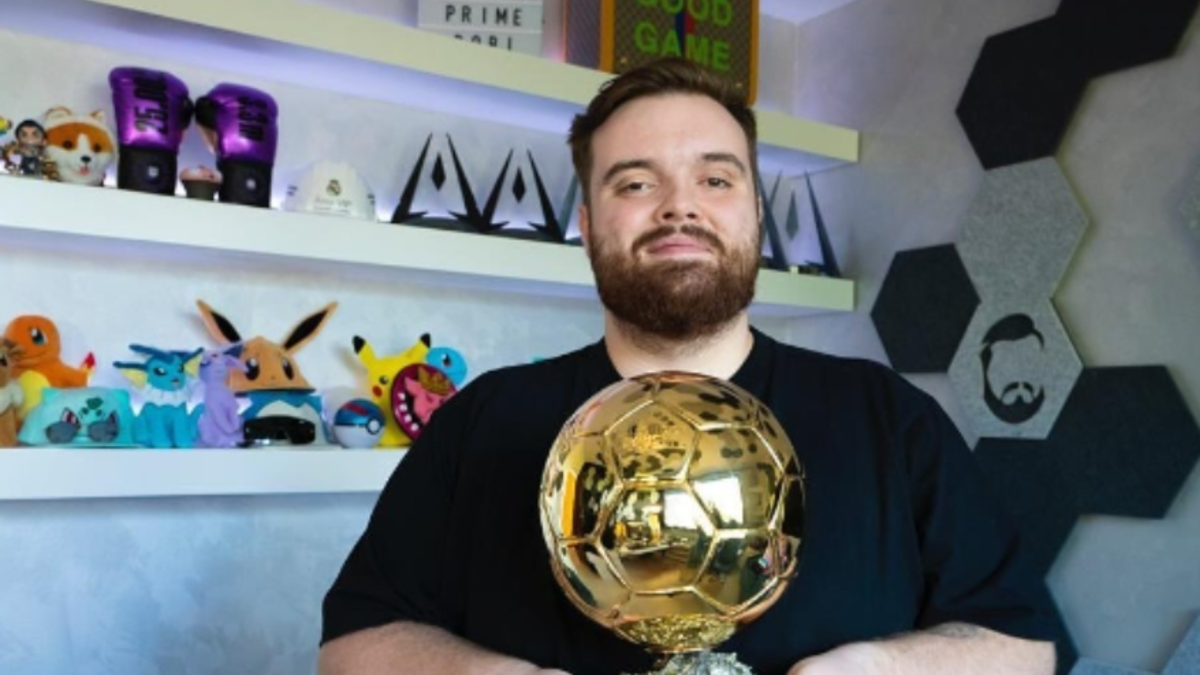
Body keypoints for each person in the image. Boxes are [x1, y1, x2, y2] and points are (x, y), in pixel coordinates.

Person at [319, 57, 1060, 675]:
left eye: (716, 179)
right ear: (587, 225)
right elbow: (351, 646)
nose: (680, 208)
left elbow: (1027, 646)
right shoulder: (484, 419)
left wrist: (874, 668)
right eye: (636, 183)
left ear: (756, 213)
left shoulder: (887, 418)